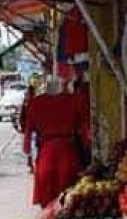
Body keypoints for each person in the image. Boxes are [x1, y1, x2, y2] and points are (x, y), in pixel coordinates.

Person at [23, 76, 90, 207]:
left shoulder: (35, 103)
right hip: (67, 149)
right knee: (68, 192)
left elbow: (28, 130)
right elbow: (84, 127)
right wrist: (87, 144)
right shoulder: (74, 100)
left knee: (47, 192)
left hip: (46, 150)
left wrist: (28, 150)